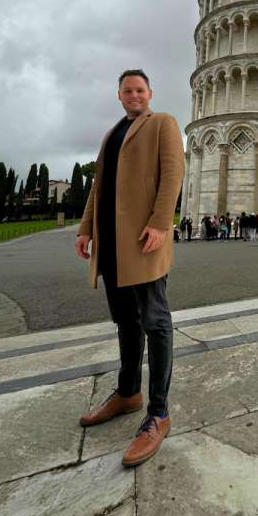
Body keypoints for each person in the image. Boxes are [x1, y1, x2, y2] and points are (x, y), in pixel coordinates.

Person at [74, 69, 184, 468]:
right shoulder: (112, 134)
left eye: (140, 89)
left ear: (149, 92)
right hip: (112, 244)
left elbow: (173, 174)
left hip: (143, 239)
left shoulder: (163, 123)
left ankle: (158, 413)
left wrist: (160, 222)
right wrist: (86, 228)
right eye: (127, 90)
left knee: (156, 321)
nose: (134, 95)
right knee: (125, 321)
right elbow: (98, 186)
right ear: (119, 95)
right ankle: (127, 393)